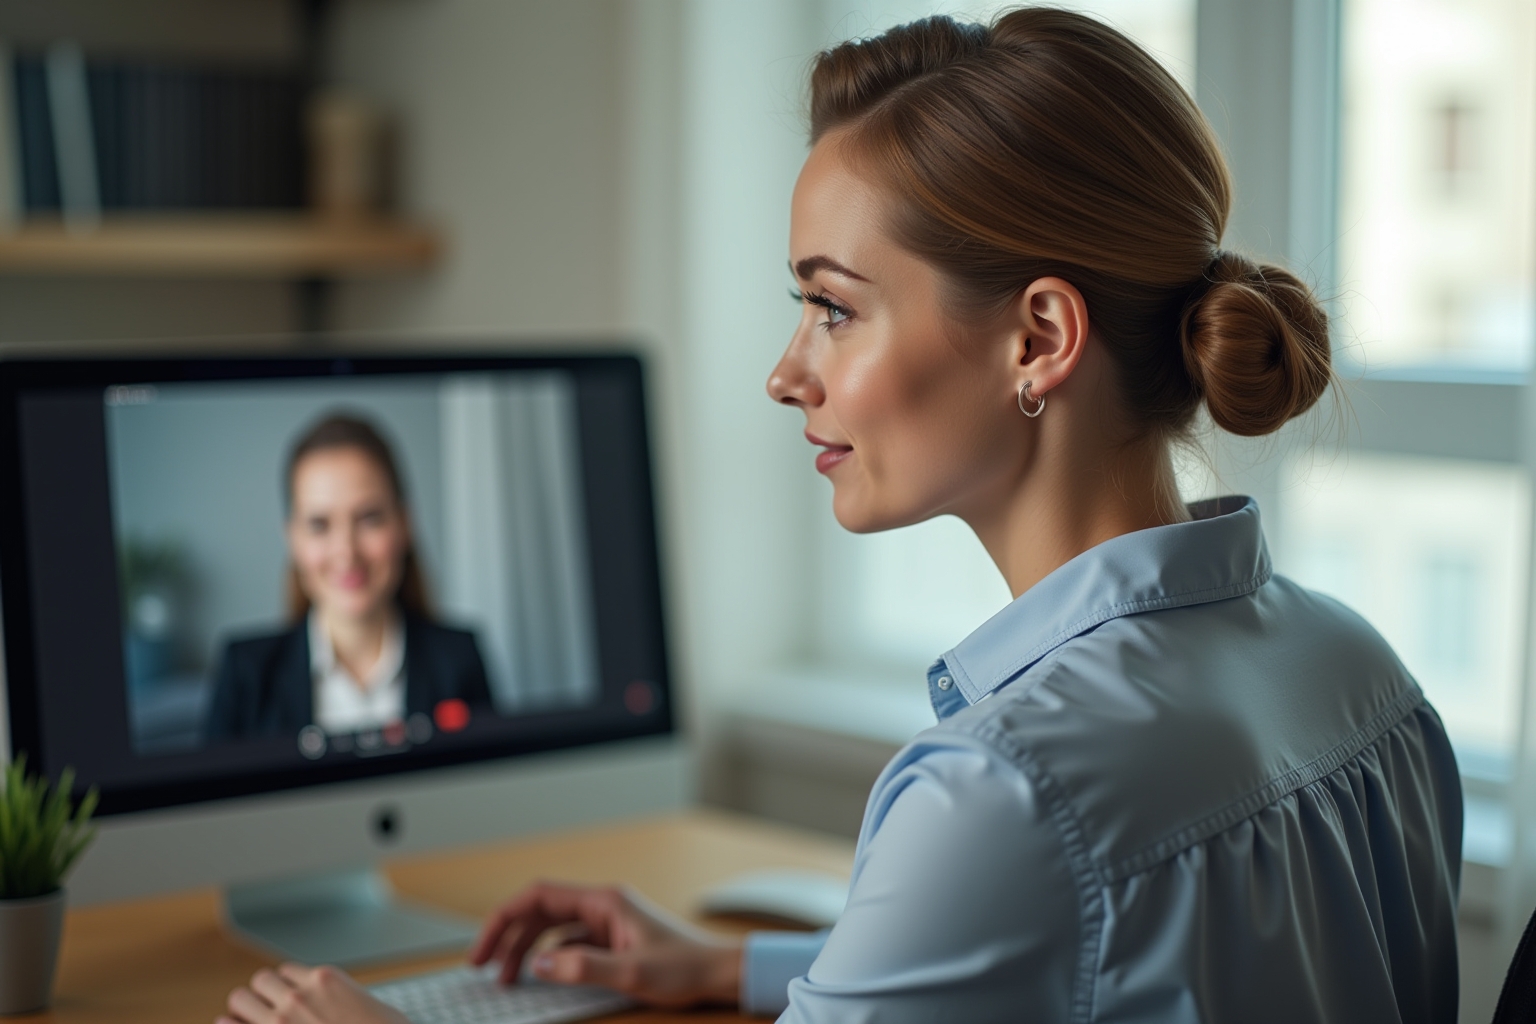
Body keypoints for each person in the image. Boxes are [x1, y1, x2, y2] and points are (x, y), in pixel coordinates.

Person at [218, 9, 1461, 1023]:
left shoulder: (1003, 793)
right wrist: (733, 964)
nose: (785, 374)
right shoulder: (1365, 675)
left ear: (1039, 338)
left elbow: (1047, 886)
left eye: (834, 309)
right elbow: (1091, 948)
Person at [206, 414, 491, 742]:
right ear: (292, 539)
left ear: (404, 523)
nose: (346, 552)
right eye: (319, 525)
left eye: (369, 518)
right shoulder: (245, 674)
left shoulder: (460, 660)